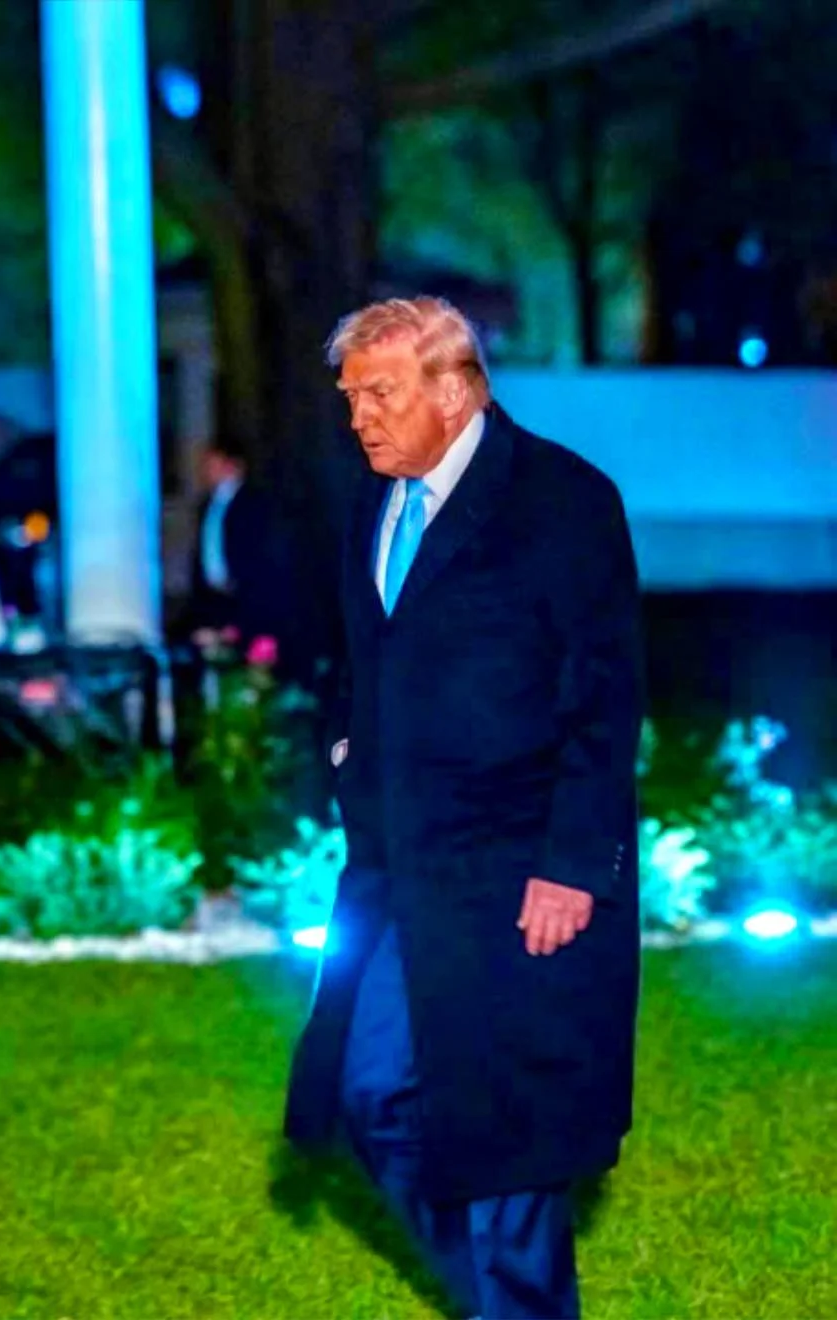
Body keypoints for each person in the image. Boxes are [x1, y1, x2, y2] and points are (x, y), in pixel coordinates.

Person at [283, 297, 643, 1319]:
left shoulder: (563, 501)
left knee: (510, 1127)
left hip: (518, 868)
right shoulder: (375, 502)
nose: (360, 418)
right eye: (351, 398)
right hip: (396, 868)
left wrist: (573, 865)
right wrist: (348, 752)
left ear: (454, 388)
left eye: (380, 394)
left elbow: (605, 698)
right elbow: (368, 659)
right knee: (371, 1091)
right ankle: (495, 1304)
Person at [183, 440, 280, 646]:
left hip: (246, 597)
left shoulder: (254, 504)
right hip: (214, 598)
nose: (207, 471)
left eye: (213, 464)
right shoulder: (206, 506)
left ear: (232, 465)